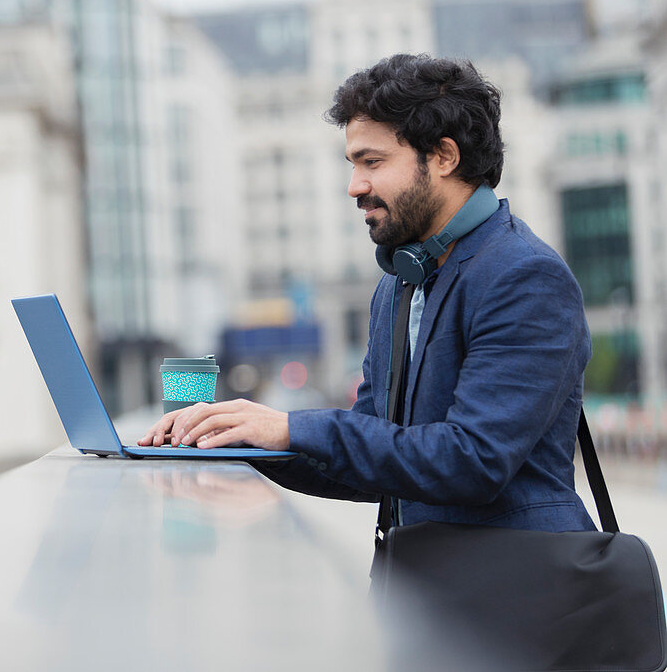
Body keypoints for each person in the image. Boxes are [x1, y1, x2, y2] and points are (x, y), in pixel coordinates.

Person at [139, 53, 596, 532]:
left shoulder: (526, 277)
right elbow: (372, 464)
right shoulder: (400, 282)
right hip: (426, 588)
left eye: (371, 162)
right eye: (352, 164)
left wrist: (292, 427)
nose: (355, 186)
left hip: (517, 595)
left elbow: (472, 462)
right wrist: (240, 440)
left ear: (444, 157)